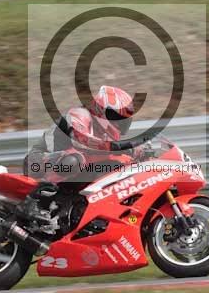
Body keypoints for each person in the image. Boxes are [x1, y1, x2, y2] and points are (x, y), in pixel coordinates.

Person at [23, 85, 140, 223]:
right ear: (101, 109)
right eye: (116, 118)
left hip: (65, 173)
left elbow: (105, 153)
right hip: (38, 163)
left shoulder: (102, 133)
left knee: (117, 165)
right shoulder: (79, 115)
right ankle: (36, 202)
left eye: (123, 121)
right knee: (74, 160)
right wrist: (125, 147)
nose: (120, 124)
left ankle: (80, 210)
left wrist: (139, 155)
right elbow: (83, 143)